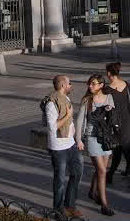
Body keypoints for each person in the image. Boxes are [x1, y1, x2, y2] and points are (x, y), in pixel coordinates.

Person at [77, 74, 116, 216]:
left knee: (101, 169)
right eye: (89, 83)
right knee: (102, 171)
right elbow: (80, 119)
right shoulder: (87, 100)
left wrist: (109, 110)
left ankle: (92, 191)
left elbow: (112, 117)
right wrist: (78, 139)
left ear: (101, 85)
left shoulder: (109, 97)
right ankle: (104, 204)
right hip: (92, 137)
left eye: (93, 84)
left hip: (106, 137)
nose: (90, 86)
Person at [44, 75, 82, 217]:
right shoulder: (51, 103)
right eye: (69, 83)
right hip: (58, 147)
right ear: (62, 85)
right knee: (60, 180)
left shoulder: (65, 98)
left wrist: (77, 138)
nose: (71, 85)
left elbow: (70, 123)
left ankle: (70, 205)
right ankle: (58, 210)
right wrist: (68, 116)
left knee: (77, 173)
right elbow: (52, 127)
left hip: (71, 143)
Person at [104, 61, 130, 189]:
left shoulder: (107, 89)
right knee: (118, 150)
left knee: (126, 151)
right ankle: (110, 175)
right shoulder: (125, 84)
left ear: (109, 73)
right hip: (127, 121)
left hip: (116, 123)